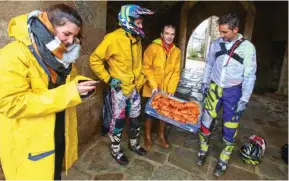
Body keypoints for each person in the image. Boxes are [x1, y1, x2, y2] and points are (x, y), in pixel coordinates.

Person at [0, 4, 97, 180]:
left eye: (74, 36)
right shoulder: (12, 55)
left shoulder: (62, 56)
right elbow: (11, 104)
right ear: (48, 25)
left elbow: (65, 84)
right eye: (66, 33)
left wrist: (79, 86)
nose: (70, 41)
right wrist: (69, 93)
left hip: (57, 134)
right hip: (29, 143)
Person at [90, 4, 154, 165]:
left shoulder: (136, 38)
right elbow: (95, 59)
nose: (141, 25)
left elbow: (137, 63)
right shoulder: (113, 38)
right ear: (128, 21)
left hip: (135, 88)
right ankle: (116, 149)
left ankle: (134, 144)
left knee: (134, 118)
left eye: (141, 22)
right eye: (138, 23)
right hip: (119, 89)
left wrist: (141, 78)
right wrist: (109, 79)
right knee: (118, 120)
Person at [196, 13, 257, 176]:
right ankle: (203, 150)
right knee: (206, 121)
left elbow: (250, 76)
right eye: (220, 32)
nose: (221, 36)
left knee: (230, 128)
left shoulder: (248, 48)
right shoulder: (216, 44)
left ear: (235, 29)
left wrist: (244, 99)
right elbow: (209, 64)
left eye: (225, 33)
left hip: (233, 92)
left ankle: (223, 158)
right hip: (215, 88)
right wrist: (204, 82)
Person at [142, 24, 181, 149]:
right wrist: (153, 85)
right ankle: (147, 135)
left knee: (164, 112)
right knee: (150, 112)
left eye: (172, 34)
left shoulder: (177, 52)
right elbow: (146, 67)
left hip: (166, 89)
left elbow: (175, 72)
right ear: (162, 34)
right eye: (167, 33)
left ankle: (161, 135)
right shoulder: (152, 48)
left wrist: (171, 90)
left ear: (174, 36)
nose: (169, 36)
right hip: (152, 87)